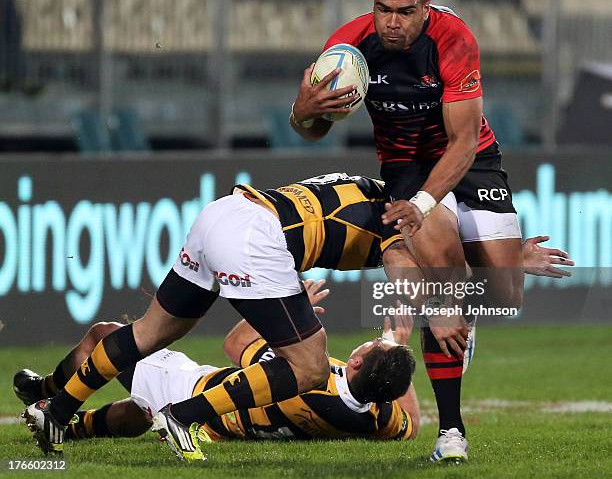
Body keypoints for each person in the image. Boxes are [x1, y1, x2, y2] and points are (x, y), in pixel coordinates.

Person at [23, 172, 572, 459]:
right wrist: (432, 315)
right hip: (258, 239)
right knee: (308, 365)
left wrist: (505, 261)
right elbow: (406, 281)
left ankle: (57, 410)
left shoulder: (387, 198)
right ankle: (184, 418)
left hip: (224, 213)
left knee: (145, 333)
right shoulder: (402, 224)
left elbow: (439, 259)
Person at [289, 0, 539, 461]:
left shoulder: (454, 39)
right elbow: (313, 130)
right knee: (440, 278)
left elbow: (464, 141)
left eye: (405, 12)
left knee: (504, 295)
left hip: (472, 159)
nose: (393, 22)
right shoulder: (347, 48)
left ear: (425, 9)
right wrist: (304, 109)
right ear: (373, 5)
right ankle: (452, 434)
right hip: (403, 165)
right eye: (384, 10)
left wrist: (427, 203)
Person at [15, 281, 419, 445]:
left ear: (354, 362)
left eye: (371, 345)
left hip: (196, 394)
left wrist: (294, 310)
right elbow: (412, 422)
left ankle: (47, 393)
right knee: (140, 408)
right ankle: (76, 431)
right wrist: (395, 352)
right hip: (222, 427)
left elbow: (237, 341)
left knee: (105, 336)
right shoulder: (375, 420)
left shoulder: (310, 375)